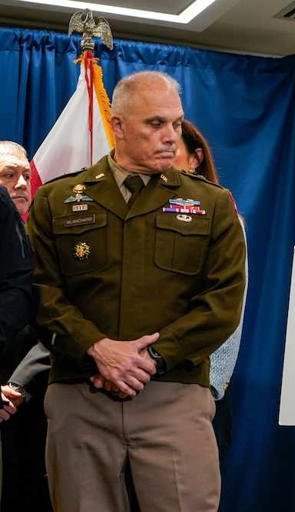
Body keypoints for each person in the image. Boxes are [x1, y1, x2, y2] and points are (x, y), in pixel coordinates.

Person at [26, 71, 246, 511]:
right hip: (81, 393)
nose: (171, 136)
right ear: (119, 125)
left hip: (173, 394)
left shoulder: (212, 204)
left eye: (176, 124)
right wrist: (98, 349)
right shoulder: (56, 200)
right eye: (155, 123)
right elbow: (40, 291)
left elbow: (223, 303)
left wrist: (150, 358)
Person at [173, 118, 247, 467]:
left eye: (172, 149)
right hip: (144, 391)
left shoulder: (220, 216)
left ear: (195, 158)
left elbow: (228, 307)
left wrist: (211, 385)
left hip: (197, 390)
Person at [0, 141, 50, 511]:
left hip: (32, 396)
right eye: (8, 175)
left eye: (25, 175)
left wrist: (18, 383)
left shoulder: (53, 242)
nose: (20, 184)